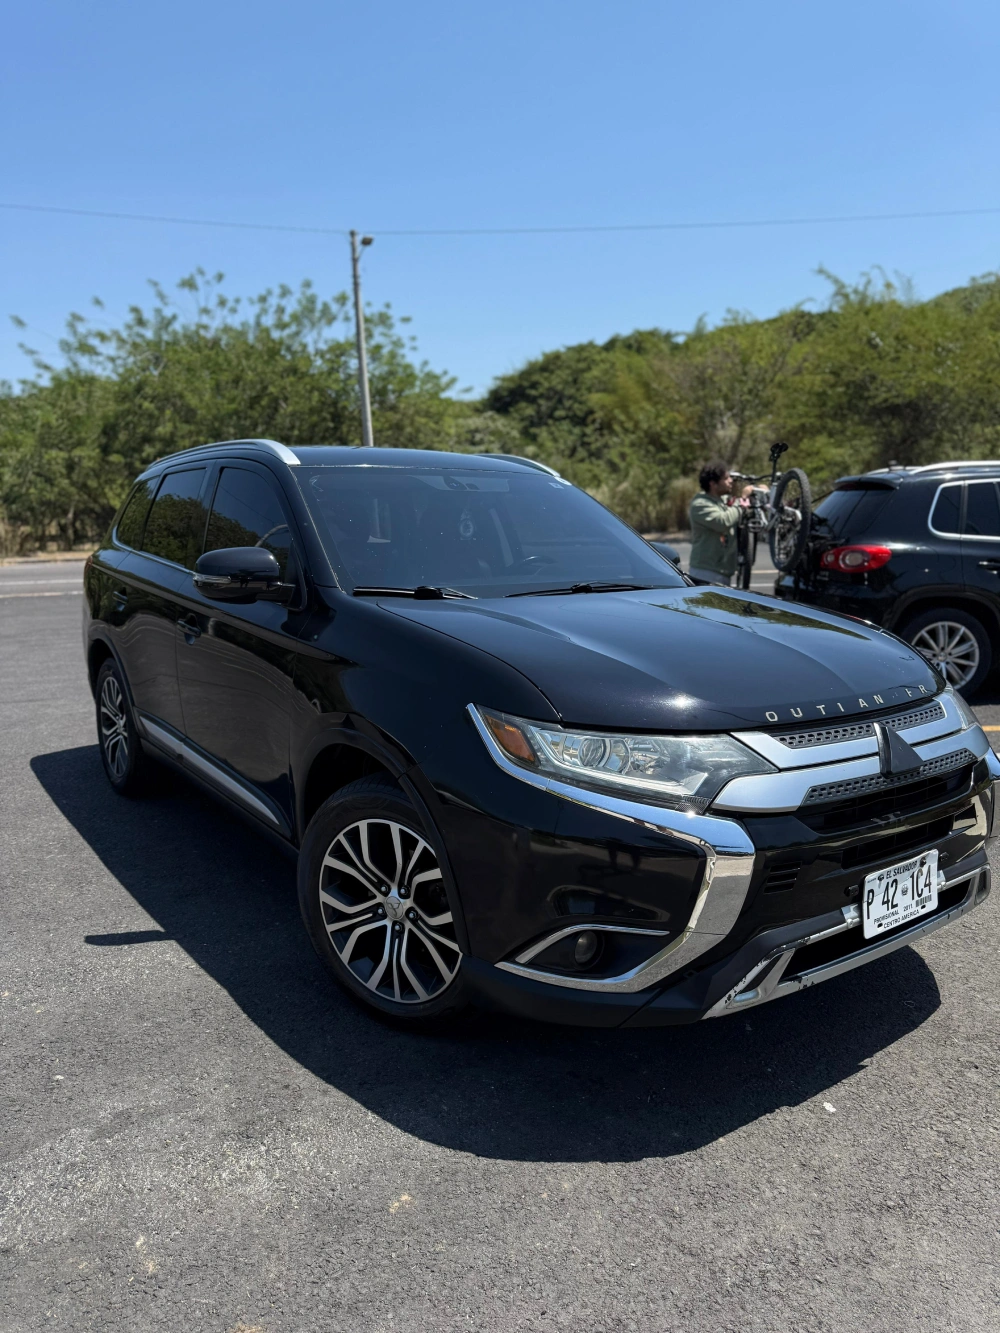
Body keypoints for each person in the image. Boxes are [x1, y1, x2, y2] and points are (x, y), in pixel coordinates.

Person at [687, 460, 755, 586]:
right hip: (706, 572)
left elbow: (736, 507)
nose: (731, 481)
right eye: (726, 478)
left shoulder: (722, 501)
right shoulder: (700, 504)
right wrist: (742, 501)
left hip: (723, 572)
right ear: (713, 484)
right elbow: (723, 521)